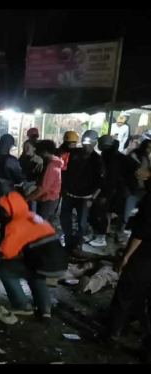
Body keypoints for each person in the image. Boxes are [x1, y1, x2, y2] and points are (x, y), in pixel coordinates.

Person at [0, 191, 65, 320]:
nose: (3, 213)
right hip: (59, 263)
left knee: (5, 270)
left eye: (4, 209)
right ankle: (45, 309)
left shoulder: (15, 224)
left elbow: (8, 252)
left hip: (43, 264)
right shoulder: (33, 217)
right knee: (34, 273)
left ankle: (22, 305)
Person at [107, 177, 151, 362]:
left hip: (144, 256)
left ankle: (112, 333)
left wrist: (126, 256)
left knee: (126, 293)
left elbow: (141, 231)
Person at [60, 130, 105, 252]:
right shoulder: (74, 153)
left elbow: (101, 182)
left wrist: (92, 198)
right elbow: (64, 170)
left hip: (85, 197)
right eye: (84, 142)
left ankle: (78, 243)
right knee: (64, 218)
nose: (86, 145)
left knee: (82, 223)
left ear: (95, 143)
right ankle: (68, 240)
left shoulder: (97, 160)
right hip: (69, 193)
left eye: (89, 143)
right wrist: (63, 188)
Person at [26, 140, 63, 224]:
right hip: (52, 199)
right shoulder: (54, 163)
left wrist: (29, 197)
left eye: (40, 152)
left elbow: (43, 188)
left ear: (45, 152)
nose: (39, 155)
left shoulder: (51, 166)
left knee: (43, 226)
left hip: (47, 200)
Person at [19, 140, 45, 212]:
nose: (26, 149)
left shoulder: (38, 161)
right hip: (22, 188)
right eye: (24, 147)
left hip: (32, 189)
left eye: (28, 147)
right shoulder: (22, 159)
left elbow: (39, 176)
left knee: (32, 210)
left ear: (34, 148)